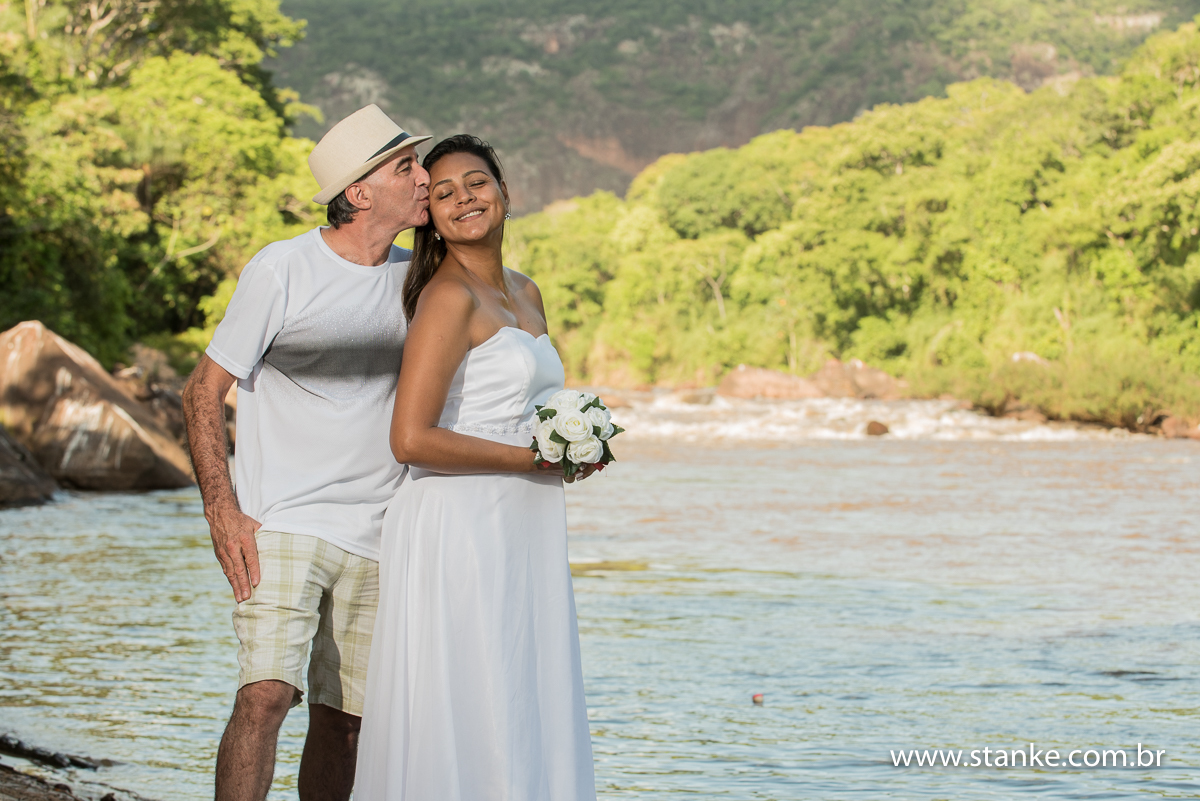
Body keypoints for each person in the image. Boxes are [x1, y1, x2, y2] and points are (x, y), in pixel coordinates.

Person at [181, 104, 431, 801]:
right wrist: (222, 511)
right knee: (265, 695)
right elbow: (202, 390)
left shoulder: (419, 277)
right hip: (284, 520)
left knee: (346, 723)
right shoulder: (283, 268)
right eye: (405, 166)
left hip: (380, 532)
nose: (423, 177)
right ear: (359, 192)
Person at [353, 135, 598, 800]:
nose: (464, 198)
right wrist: (532, 457)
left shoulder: (527, 291)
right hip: (462, 522)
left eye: (476, 183)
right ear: (430, 215)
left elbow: (527, 406)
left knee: (522, 678)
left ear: (505, 192)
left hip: (526, 520)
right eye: (443, 193)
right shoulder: (447, 297)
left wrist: (577, 443)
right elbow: (410, 438)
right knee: (477, 683)